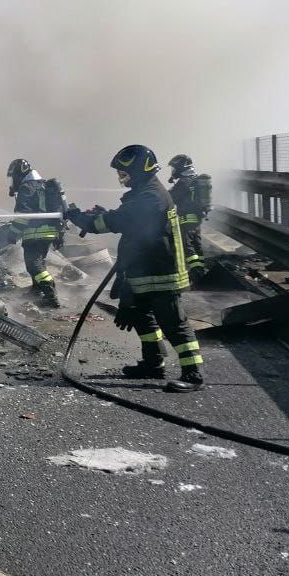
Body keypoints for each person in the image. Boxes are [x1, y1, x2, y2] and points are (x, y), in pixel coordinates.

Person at [66, 145, 204, 392]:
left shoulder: (150, 196)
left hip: (160, 270)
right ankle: (153, 363)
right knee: (142, 317)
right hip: (143, 266)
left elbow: (113, 222)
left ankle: (193, 375)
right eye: (120, 173)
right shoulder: (144, 192)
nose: (121, 178)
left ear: (141, 170)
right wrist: (105, 214)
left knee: (173, 322)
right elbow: (128, 220)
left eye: (125, 173)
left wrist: (77, 216)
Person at [5, 158, 65, 309]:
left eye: (14, 177)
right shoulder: (42, 185)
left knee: (34, 265)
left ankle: (50, 295)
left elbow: (23, 215)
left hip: (35, 233)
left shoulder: (27, 187)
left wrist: (13, 233)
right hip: (48, 232)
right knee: (39, 262)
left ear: (19, 174)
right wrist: (60, 234)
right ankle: (36, 290)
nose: (13, 181)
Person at [167, 154, 211, 285]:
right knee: (197, 246)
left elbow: (170, 198)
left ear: (181, 167)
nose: (173, 171)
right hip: (196, 220)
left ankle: (196, 274)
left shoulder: (183, 182)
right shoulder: (194, 179)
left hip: (186, 220)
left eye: (174, 168)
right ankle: (200, 271)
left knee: (187, 247)